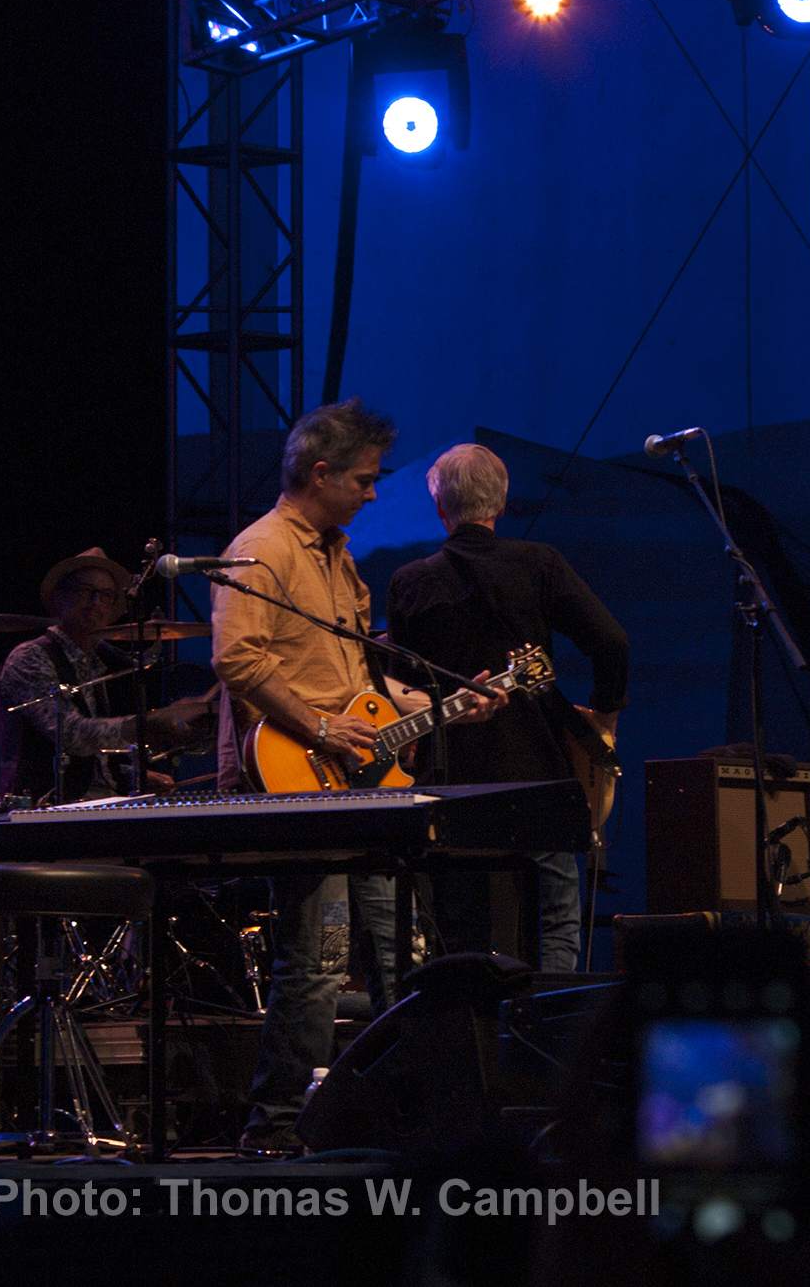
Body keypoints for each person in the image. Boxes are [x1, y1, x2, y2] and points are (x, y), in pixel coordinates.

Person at [211, 398, 501, 1151]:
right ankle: (277, 1125)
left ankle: (404, 1111)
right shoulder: (262, 548)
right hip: (299, 776)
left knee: (403, 948)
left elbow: (363, 684)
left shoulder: (336, 556)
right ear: (321, 473)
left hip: (356, 780)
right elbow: (236, 658)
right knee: (318, 957)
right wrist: (318, 727)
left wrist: (445, 705)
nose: (373, 494)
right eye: (365, 480)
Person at [386, 442, 629, 973]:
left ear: (439, 506)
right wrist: (605, 716)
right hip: (537, 772)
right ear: (501, 501)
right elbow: (612, 642)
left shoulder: (410, 581)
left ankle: (469, 1015)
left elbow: (396, 685)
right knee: (556, 917)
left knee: (460, 923)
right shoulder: (538, 563)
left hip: (452, 781)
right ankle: (550, 1015)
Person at [0, 548, 186, 802]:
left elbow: (95, 764)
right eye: (86, 591)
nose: (96, 602)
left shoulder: (101, 660)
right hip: (41, 804)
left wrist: (135, 776)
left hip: (97, 801)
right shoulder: (29, 657)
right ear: (59, 598)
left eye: (106, 596)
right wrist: (149, 724)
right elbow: (72, 735)